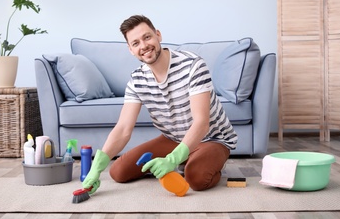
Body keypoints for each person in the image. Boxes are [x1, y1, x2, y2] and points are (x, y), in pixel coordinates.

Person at [82, 15, 237, 194]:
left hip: (211, 138)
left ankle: (201, 160)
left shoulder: (193, 65)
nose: (144, 46)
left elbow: (202, 122)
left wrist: (172, 160)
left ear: (158, 35)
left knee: (196, 178)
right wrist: (96, 168)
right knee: (118, 172)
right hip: (173, 138)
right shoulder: (137, 80)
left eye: (147, 37)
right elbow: (123, 128)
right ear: (130, 50)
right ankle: (187, 158)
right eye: (136, 43)